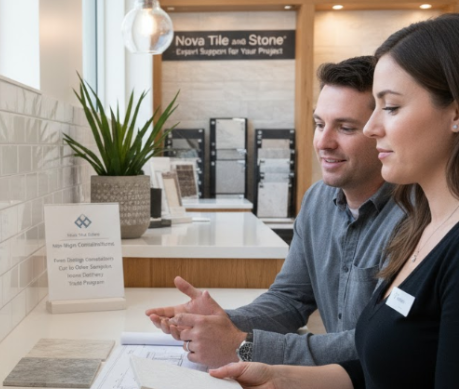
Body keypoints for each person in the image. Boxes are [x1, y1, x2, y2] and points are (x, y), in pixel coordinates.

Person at [208, 14, 459, 389]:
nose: (372, 128)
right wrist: (273, 375)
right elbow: (387, 367)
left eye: (389, 108)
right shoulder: (423, 229)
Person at [146, 56, 405, 368]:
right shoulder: (317, 201)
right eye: (320, 124)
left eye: (346, 128)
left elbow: (376, 343)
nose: (323, 142)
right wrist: (220, 322)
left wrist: (244, 345)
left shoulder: (416, 219)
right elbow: (289, 300)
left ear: (382, 131)